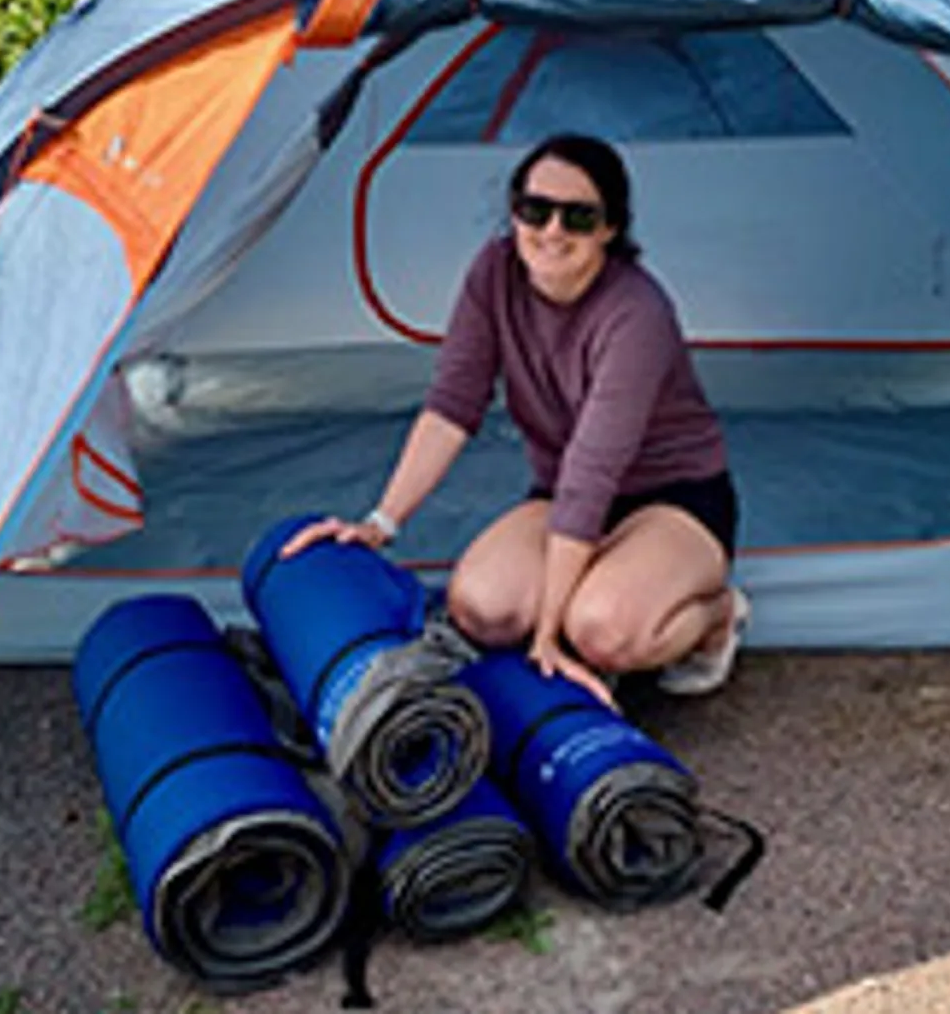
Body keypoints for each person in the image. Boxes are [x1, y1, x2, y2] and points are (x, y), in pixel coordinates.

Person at [280, 133, 748, 706]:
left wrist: (551, 637)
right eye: (535, 209)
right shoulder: (495, 272)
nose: (552, 231)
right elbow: (453, 404)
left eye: (578, 217)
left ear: (609, 229)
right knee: (481, 607)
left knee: (604, 632)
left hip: (672, 498)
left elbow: (593, 469)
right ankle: (598, 582)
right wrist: (381, 521)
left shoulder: (637, 313)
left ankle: (717, 616)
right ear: (514, 212)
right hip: (561, 493)